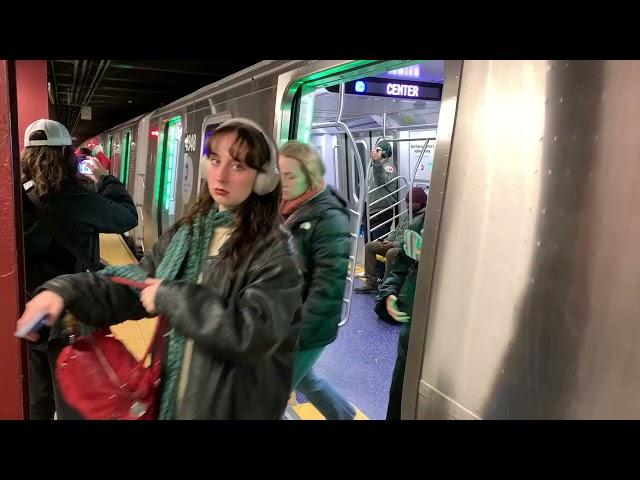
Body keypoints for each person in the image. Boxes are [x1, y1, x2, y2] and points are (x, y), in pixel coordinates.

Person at [17, 118, 303, 420]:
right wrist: (66, 291)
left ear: (263, 179)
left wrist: (171, 297)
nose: (220, 175)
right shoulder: (190, 232)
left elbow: (254, 333)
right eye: (215, 160)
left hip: (232, 407)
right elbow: (138, 281)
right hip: (175, 401)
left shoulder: (275, 252)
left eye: (238, 166)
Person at [20, 119, 138, 420]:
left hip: (29, 315)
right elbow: (126, 217)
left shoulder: (16, 200)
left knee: (36, 401)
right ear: (67, 157)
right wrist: (106, 179)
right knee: (74, 399)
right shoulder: (80, 200)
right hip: (69, 318)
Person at [279, 140, 356, 420]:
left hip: (308, 325)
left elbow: (328, 285)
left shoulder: (328, 218)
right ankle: (344, 415)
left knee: (269, 394)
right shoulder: (290, 207)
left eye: (290, 176)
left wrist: (300, 333)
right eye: (280, 174)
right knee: (307, 380)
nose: (283, 183)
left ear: (309, 176)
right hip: (286, 319)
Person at [374, 224, 423, 420]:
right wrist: (390, 293)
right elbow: (401, 267)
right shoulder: (421, 224)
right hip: (413, 327)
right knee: (400, 394)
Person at [355, 187, 427, 294]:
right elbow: (396, 231)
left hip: (407, 249)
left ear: (420, 203)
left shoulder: (425, 217)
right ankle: (371, 284)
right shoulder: (408, 215)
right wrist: (387, 241)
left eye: (411, 203)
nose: (407, 205)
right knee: (370, 246)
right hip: (395, 244)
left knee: (391, 253)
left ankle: (387, 288)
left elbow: (416, 239)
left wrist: (393, 245)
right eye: (407, 202)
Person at [365, 140, 398, 241]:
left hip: (381, 211)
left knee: (378, 245)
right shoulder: (374, 167)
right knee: (368, 243)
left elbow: (380, 181)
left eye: (377, 150)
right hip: (370, 210)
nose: (374, 152)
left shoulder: (389, 167)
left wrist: (376, 161)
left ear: (385, 153)